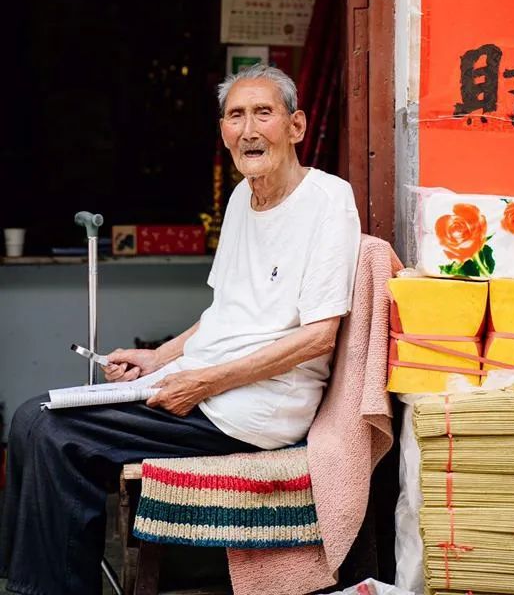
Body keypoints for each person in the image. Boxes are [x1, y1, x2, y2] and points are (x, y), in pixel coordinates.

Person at [0, 64, 360, 595]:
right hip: (208, 385)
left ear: (297, 126)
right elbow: (224, 312)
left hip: (252, 407)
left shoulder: (328, 200)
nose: (249, 129)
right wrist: (159, 358)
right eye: (236, 116)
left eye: (264, 113)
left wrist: (205, 382)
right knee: (31, 419)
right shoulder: (241, 199)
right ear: (223, 133)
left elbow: (319, 337)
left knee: (54, 432)